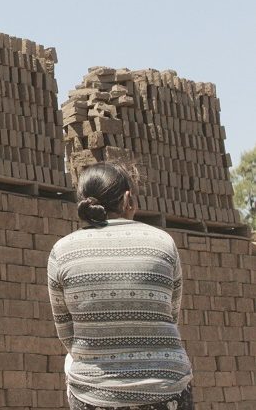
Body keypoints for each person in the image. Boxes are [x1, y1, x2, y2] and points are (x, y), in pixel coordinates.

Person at [47, 162, 193, 409]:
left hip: (94, 396)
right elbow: (170, 316)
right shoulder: (163, 243)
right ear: (128, 199)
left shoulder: (62, 252)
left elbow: (67, 334)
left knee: (72, 362)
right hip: (167, 391)